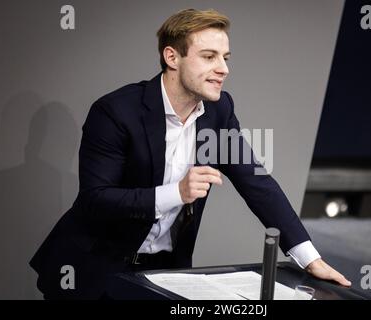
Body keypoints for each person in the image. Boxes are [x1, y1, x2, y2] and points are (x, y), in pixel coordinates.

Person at [30, 8, 351, 299]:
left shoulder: (217, 110)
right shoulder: (116, 111)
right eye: (209, 56)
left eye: (226, 57)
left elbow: (257, 183)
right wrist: (177, 193)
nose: (223, 68)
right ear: (172, 57)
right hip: (92, 268)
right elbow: (95, 199)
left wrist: (311, 259)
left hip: (162, 273)